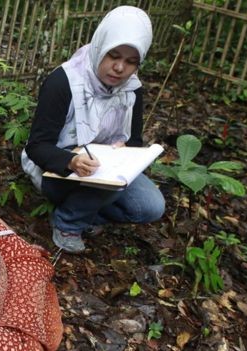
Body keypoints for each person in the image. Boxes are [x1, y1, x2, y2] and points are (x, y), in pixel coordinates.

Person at [21, 5, 165, 254]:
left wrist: (125, 152)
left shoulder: (132, 89)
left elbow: (134, 140)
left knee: (151, 206)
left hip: (105, 170)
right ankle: (68, 222)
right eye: (113, 56)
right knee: (106, 185)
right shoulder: (64, 81)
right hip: (60, 170)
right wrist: (72, 161)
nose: (120, 68)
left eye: (131, 62)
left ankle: (87, 212)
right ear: (100, 46)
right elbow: (37, 146)